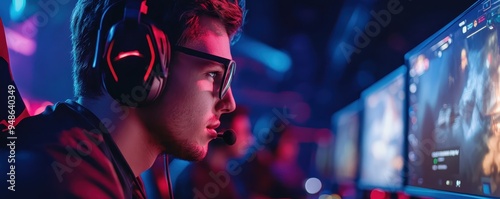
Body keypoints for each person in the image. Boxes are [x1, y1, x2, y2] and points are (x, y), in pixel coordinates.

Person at [0, 0, 246, 198]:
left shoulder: (98, 164)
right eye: (213, 74)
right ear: (138, 62)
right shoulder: (70, 185)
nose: (229, 103)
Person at [173, 106, 254, 199]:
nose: (250, 139)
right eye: (245, 132)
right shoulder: (195, 178)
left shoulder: (227, 172)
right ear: (225, 134)